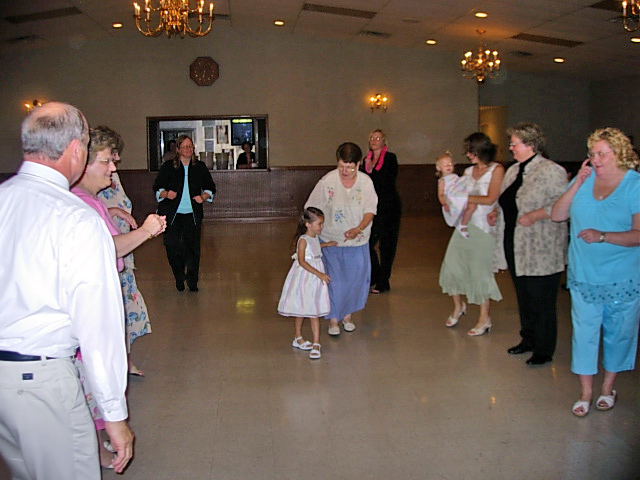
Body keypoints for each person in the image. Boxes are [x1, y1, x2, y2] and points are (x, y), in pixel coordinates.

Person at [0, 102, 134, 479]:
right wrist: (114, 415)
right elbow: (99, 326)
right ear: (77, 149)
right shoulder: (77, 217)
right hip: (40, 382)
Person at [72, 128, 166, 468]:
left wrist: (114, 216)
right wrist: (145, 232)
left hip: (103, 297)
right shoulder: (79, 203)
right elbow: (105, 250)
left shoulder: (92, 200)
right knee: (88, 382)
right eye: (107, 161)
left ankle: (97, 442)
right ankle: (95, 443)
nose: (113, 168)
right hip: (88, 309)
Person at [551, 127, 640, 417]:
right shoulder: (584, 180)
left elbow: (638, 234)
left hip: (622, 276)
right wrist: (577, 183)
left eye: (602, 154)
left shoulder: (634, 185)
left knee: (619, 334)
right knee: (584, 334)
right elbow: (557, 215)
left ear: (620, 154)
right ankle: (586, 392)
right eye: (592, 154)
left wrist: (603, 235)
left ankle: (607, 388)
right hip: (584, 275)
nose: (596, 159)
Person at [488, 123, 568, 366]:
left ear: (531, 145)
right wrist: (495, 212)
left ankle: (544, 349)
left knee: (541, 300)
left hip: (541, 246)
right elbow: (508, 201)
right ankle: (528, 339)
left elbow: (563, 205)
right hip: (516, 243)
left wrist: (536, 215)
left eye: (515, 143)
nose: (511, 147)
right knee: (524, 296)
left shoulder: (551, 170)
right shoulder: (513, 171)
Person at [96, 126, 152, 377]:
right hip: (109, 252)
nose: (115, 163)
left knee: (125, 310)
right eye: (109, 157)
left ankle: (125, 360)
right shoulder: (86, 186)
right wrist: (145, 231)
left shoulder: (111, 176)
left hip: (123, 253)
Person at [305, 142, 378, 335]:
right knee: (335, 281)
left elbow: (371, 210)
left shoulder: (365, 183)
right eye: (341, 166)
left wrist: (358, 228)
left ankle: (348, 316)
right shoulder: (327, 181)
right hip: (331, 240)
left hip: (358, 240)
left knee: (355, 280)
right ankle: (334, 321)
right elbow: (311, 208)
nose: (345, 171)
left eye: (350, 167)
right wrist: (313, 233)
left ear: (359, 164)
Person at [439, 132, 505, 335]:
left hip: (484, 226)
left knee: (480, 271)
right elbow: (453, 194)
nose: (468, 155)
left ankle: (485, 318)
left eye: (471, 151)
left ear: (480, 150)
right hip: (464, 225)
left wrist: (467, 200)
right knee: (451, 265)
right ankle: (459, 306)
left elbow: (492, 197)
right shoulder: (467, 172)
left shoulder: (497, 169)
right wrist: (448, 200)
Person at [153, 134, 216, 292]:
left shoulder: (199, 167)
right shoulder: (168, 167)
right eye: (185, 147)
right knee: (172, 247)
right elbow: (157, 188)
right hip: (172, 214)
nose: (188, 149)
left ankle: (192, 281)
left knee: (193, 249)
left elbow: (210, 187)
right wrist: (166, 194)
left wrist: (203, 197)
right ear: (178, 149)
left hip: (192, 214)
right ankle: (179, 276)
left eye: (190, 146)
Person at [278, 207, 337, 359]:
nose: (321, 227)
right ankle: (306, 339)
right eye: (319, 224)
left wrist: (327, 245)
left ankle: (307, 340)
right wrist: (320, 274)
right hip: (306, 277)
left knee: (310, 307)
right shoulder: (302, 240)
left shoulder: (314, 237)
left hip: (315, 275)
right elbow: (302, 261)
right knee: (308, 308)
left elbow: (315, 248)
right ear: (308, 224)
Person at [361, 129, 401, 293]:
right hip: (372, 207)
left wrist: (372, 170)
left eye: (378, 138)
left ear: (384, 141)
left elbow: (386, 181)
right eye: (372, 138)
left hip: (389, 206)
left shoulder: (390, 158)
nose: (374, 140)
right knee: (367, 243)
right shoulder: (365, 160)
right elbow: (364, 183)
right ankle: (376, 275)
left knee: (387, 245)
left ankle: (383, 282)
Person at [435, 151, 477, 238]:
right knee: (460, 212)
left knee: (471, 206)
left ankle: (463, 223)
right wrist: (445, 203)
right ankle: (461, 224)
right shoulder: (443, 181)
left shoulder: (456, 177)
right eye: (445, 165)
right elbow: (440, 194)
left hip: (459, 197)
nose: (449, 166)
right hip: (451, 201)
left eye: (450, 164)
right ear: (439, 168)